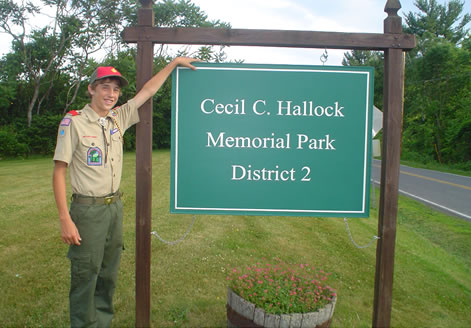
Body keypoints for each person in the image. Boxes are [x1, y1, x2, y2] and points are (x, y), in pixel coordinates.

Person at [52, 57, 199, 328]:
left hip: (114, 208)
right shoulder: (74, 123)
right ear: (91, 89)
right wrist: (65, 218)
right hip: (87, 210)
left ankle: (102, 323)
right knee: (86, 275)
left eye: (116, 90)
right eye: (105, 87)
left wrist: (174, 63)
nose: (111, 94)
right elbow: (59, 170)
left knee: (108, 275)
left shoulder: (117, 118)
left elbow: (148, 91)